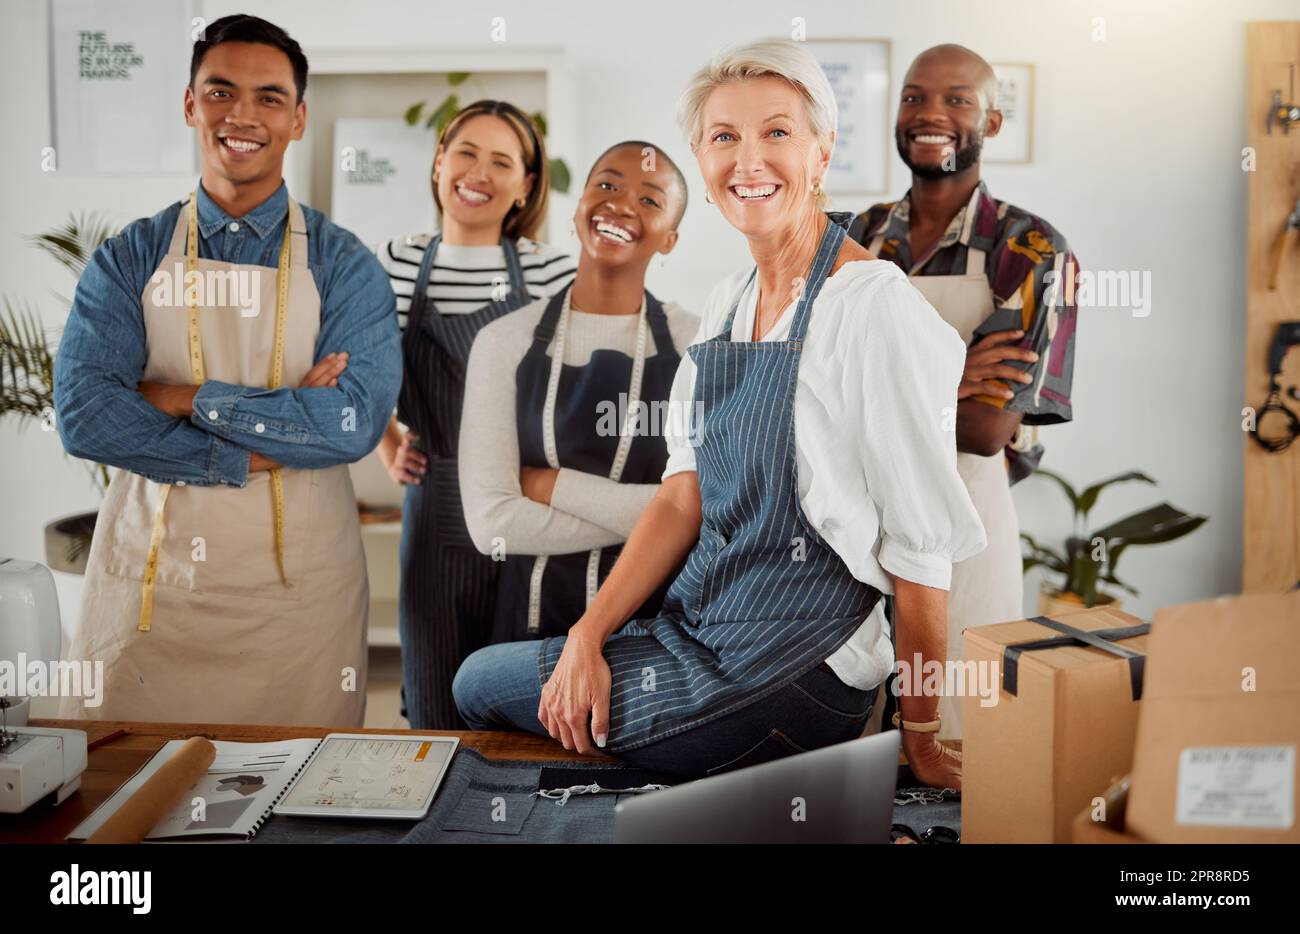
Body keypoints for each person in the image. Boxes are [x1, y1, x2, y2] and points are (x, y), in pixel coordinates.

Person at [453, 40, 984, 785]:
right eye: (723, 138)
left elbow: (923, 550)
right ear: (702, 164)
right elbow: (682, 494)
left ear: (822, 151)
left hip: (798, 670)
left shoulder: (875, 306)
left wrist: (921, 734)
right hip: (702, 633)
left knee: (481, 687)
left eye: (776, 132)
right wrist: (588, 633)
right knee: (497, 680)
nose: (748, 160)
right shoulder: (729, 306)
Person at [52, 14, 400, 726]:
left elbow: (350, 423)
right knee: (119, 803)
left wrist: (184, 397)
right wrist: (265, 442)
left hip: (299, 604)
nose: (243, 115)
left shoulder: (345, 264)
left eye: (269, 97)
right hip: (152, 593)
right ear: (190, 105)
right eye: (221, 91)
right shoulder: (131, 256)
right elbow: (86, 415)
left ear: (298, 118)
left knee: (301, 813)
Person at [851, 44, 1079, 738]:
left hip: (965, 531)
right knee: (852, 745)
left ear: (994, 122)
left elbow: (985, 431)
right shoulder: (856, 236)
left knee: (958, 741)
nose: (931, 114)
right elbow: (807, 398)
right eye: (916, 96)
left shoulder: (1035, 249)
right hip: (853, 520)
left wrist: (874, 392)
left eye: (958, 100)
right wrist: (954, 376)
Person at [374, 100, 576, 729]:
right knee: (435, 711)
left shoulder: (549, 271)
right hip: (435, 507)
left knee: (524, 704)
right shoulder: (399, 262)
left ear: (525, 186)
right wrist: (387, 444)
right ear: (439, 163)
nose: (478, 172)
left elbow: (580, 390)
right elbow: (354, 367)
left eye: (501, 161)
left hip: (528, 510)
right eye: (466, 152)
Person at [459, 140, 697, 642]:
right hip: (528, 633)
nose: (622, 204)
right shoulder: (503, 342)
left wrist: (550, 487)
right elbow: (492, 526)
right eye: (607, 185)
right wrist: (662, 520)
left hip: (658, 637)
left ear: (670, 239)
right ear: (579, 206)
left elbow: (711, 508)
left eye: (650, 199)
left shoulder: (698, 346)